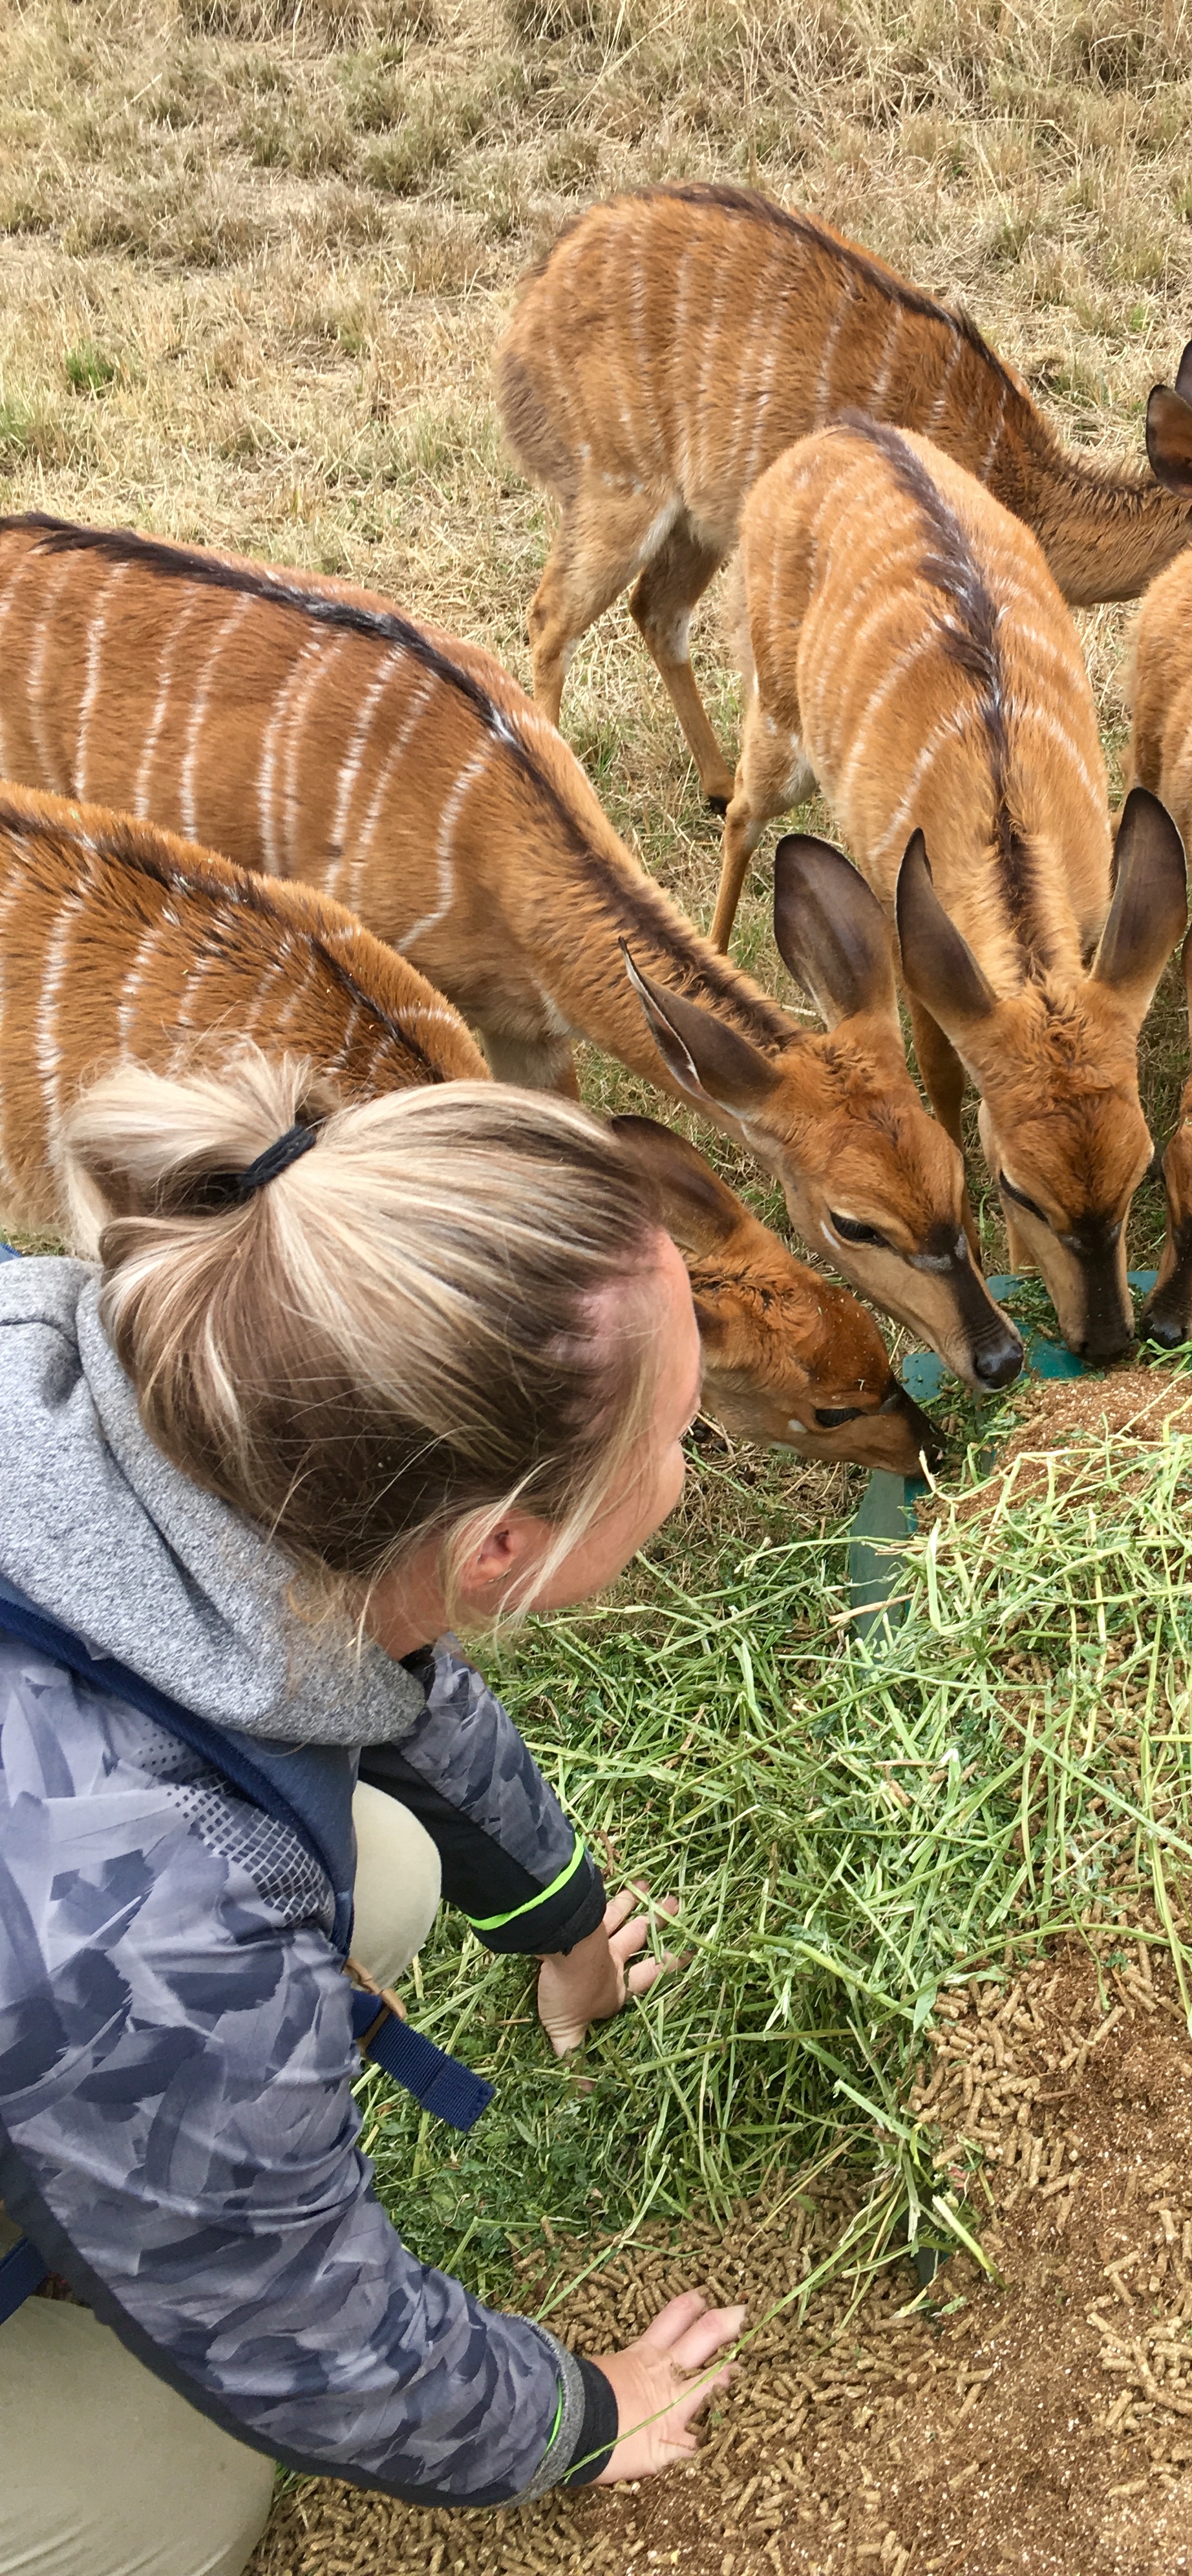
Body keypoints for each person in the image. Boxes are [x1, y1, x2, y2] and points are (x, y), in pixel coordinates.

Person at [0, 1057, 746, 2576]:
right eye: (677, 1435)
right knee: (166, 2490)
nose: (691, 1453)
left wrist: (558, 1915)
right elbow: (308, 2346)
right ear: (503, 1550)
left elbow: (372, 1658)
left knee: (379, 1870)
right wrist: (581, 2415)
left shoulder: (159, 1363)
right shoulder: (151, 1904)